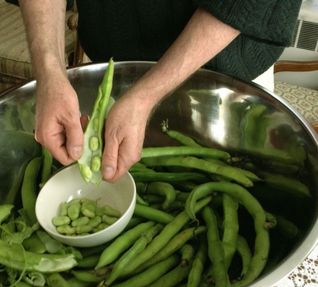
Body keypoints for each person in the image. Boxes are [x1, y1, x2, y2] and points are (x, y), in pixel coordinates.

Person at [17, 0, 302, 182]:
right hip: (110, 67)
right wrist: (50, 73)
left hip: (225, 77)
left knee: (230, 185)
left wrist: (145, 96)